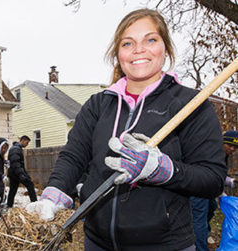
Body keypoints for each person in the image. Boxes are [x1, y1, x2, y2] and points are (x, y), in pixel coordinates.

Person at [30, 9, 227, 250]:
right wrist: (54, 195)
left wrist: (164, 171)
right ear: (118, 54)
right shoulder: (98, 105)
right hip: (97, 242)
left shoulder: (190, 105)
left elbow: (212, 179)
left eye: (150, 39)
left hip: (165, 245)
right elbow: (73, 157)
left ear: (165, 49)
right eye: (128, 43)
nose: (138, 49)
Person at [207, 130, 238, 245]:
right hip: (203, 188)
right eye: (229, 145)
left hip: (212, 188)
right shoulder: (213, 151)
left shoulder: (225, 155)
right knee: (200, 215)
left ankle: (207, 232)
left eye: (235, 147)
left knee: (212, 208)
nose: (232, 149)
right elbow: (211, 171)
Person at [7, 135, 37, 208]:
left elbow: (19, 164)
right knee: (30, 185)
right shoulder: (16, 149)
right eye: (26, 143)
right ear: (23, 140)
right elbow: (16, 163)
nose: (27, 145)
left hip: (13, 173)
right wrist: (21, 175)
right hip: (17, 173)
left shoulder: (16, 148)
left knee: (12, 190)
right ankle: (35, 204)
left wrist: (25, 174)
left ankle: (9, 205)